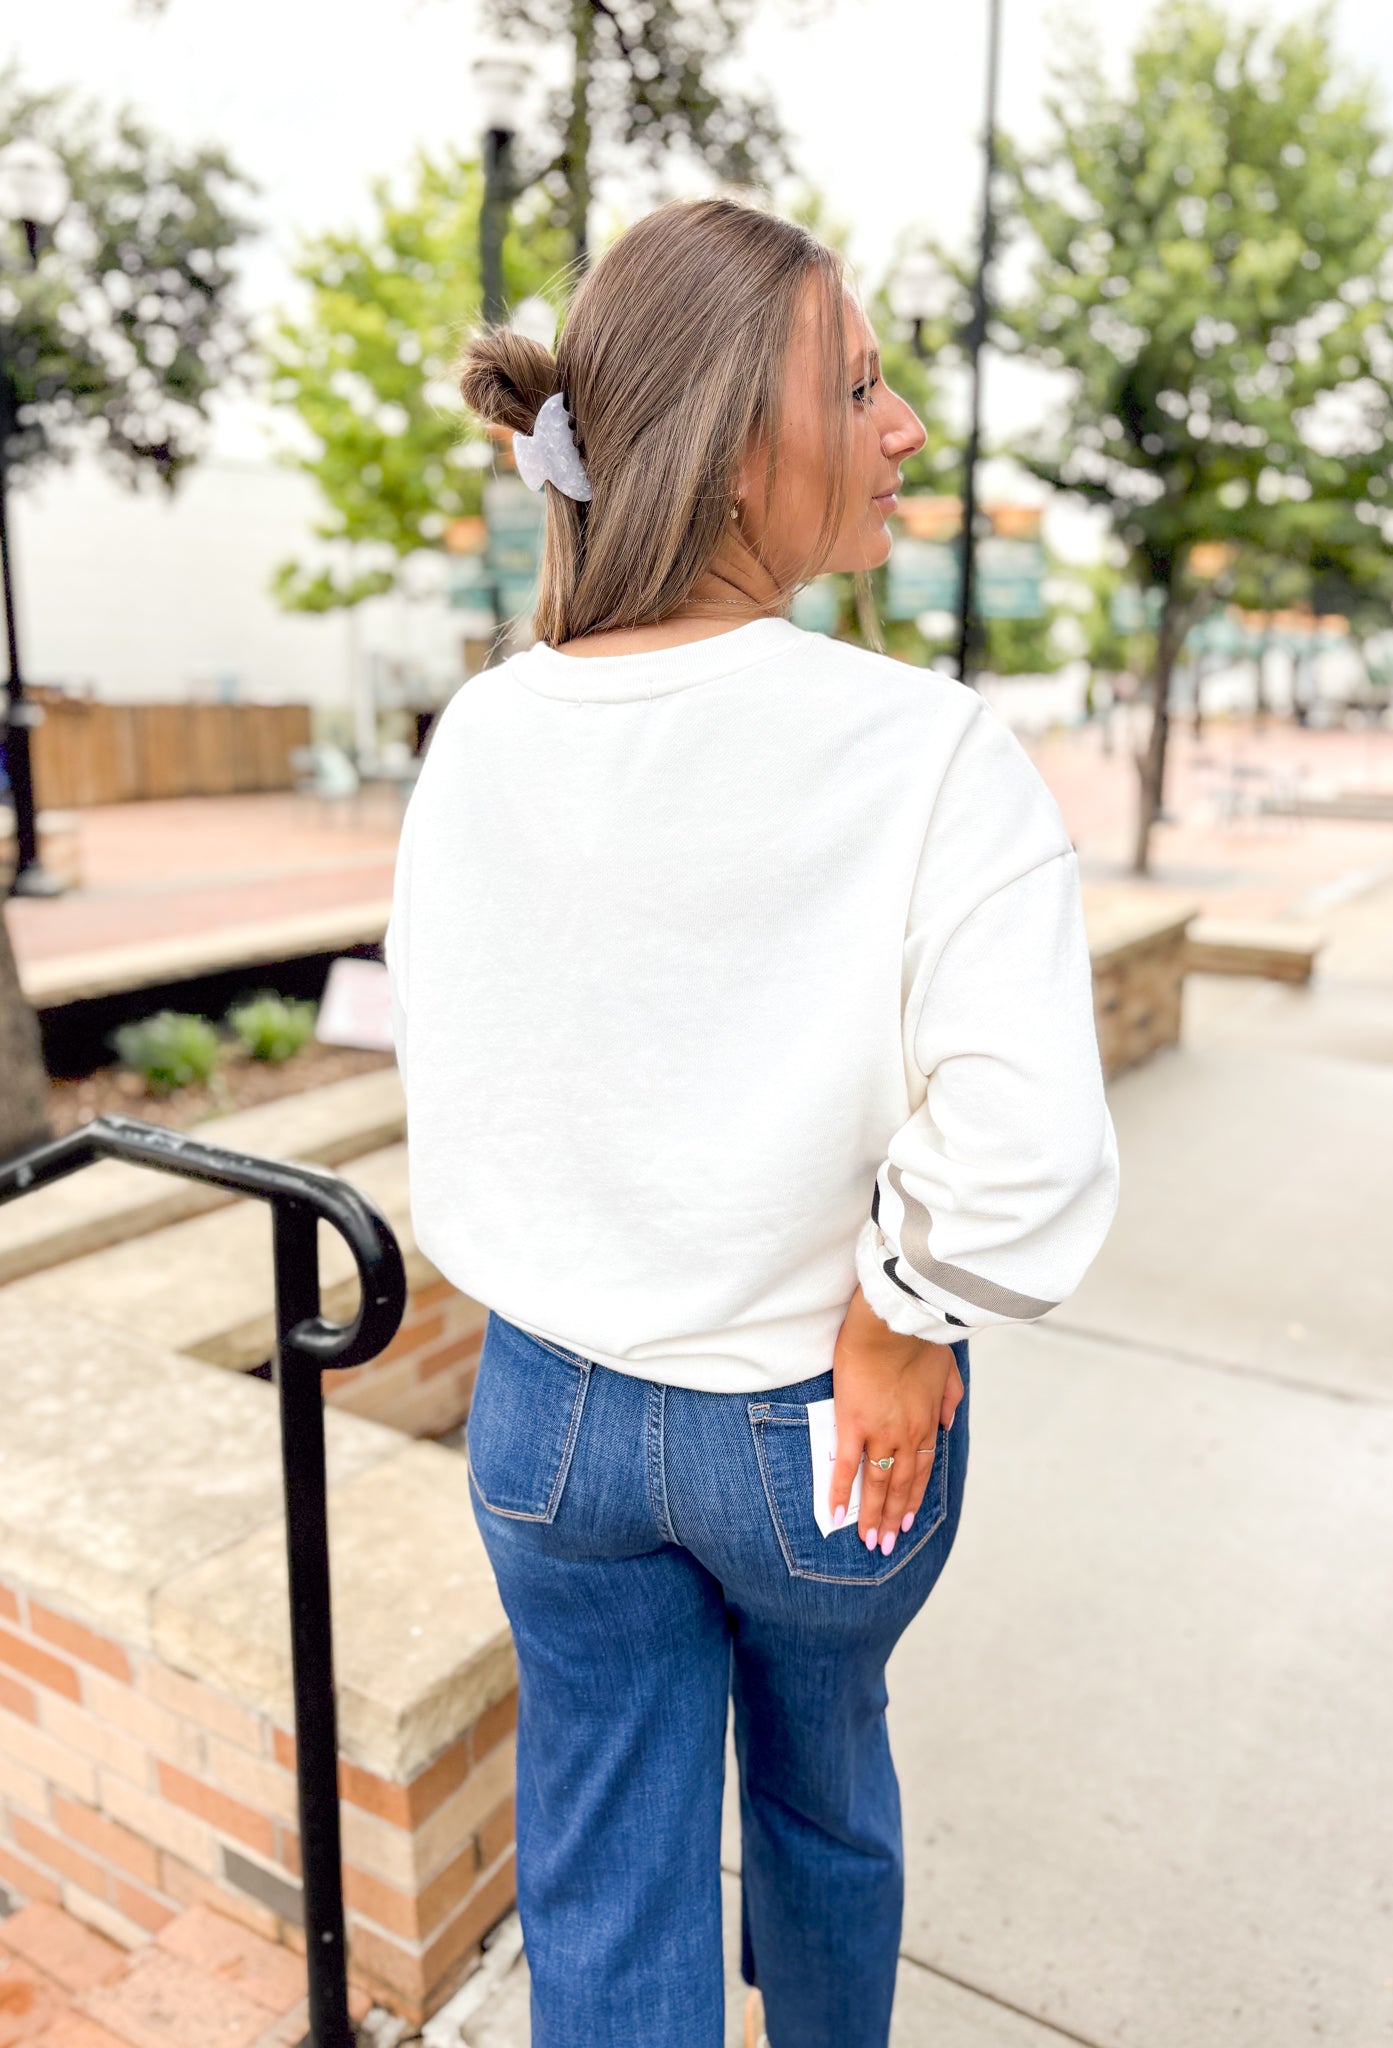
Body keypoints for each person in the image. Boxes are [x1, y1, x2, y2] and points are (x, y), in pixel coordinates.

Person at [385, 197, 1118, 2048]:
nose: (905, 429)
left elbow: (460, 1068)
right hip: (820, 1421)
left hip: (550, 1416)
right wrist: (902, 1307)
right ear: (729, 452)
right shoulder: (921, 747)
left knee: (602, 1856)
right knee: (819, 1782)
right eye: (858, 387)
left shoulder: (481, 734)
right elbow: (1021, 1141)